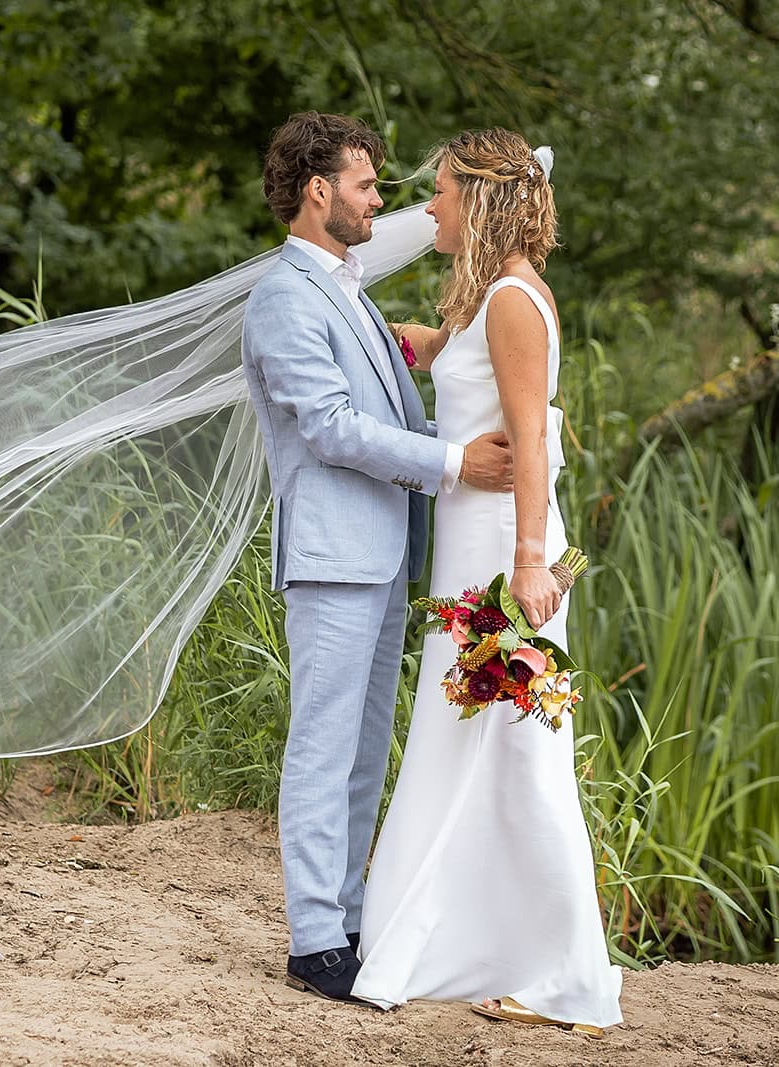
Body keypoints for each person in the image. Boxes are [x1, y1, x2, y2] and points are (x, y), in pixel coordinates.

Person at [348, 128, 623, 1037]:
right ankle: (484, 939)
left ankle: (565, 976)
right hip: (471, 545)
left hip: (505, 558)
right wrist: (422, 342)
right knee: (472, 739)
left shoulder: (512, 301)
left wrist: (534, 561)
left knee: (521, 745)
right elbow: (478, 379)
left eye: (443, 193)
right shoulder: (490, 302)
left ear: (485, 201)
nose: (428, 208)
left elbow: (534, 441)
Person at [238, 112, 514, 1003]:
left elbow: (388, 421)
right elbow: (327, 428)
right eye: (364, 185)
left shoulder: (345, 287)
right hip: (331, 556)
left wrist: (479, 440)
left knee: (362, 750)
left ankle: (349, 922)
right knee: (322, 748)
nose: (379, 200)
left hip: (382, 553)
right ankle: (315, 938)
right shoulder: (285, 296)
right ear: (319, 191)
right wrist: (452, 463)